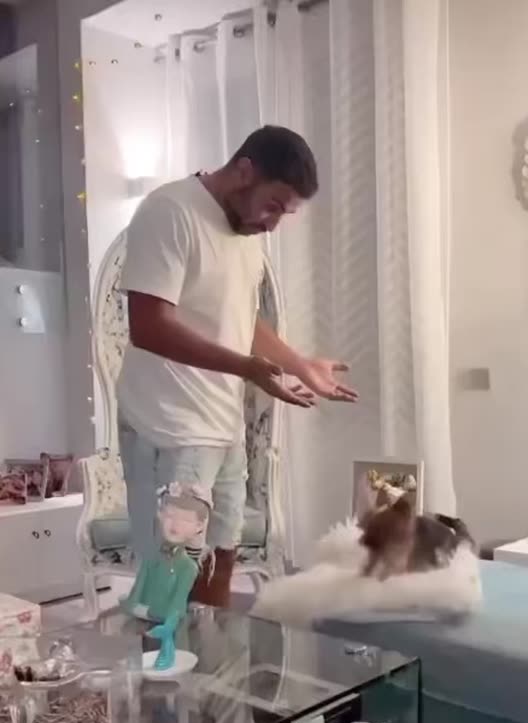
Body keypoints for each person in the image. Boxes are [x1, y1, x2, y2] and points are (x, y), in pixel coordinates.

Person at [118, 125, 357, 608]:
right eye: (273, 205)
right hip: (170, 428)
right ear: (244, 171)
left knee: (220, 558)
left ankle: (210, 656)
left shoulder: (248, 235)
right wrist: (247, 368)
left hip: (222, 428)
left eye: (285, 213)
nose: (274, 224)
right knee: (170, 576)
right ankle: (161, 658)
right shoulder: (170, 211)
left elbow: (240, 320)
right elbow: (148, 326)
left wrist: (299, 364)